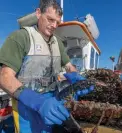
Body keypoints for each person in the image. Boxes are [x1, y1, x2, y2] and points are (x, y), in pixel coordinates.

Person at [0, 0, 93, 133]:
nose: (54, 25)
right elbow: (4, 77)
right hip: (26, 105)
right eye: (50, 19)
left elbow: (69, 66)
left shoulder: (58, 43)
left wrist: (76, 78)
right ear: (38, 13)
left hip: (53, 102)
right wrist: (39, 102)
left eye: (57, 22)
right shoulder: (21, 37)